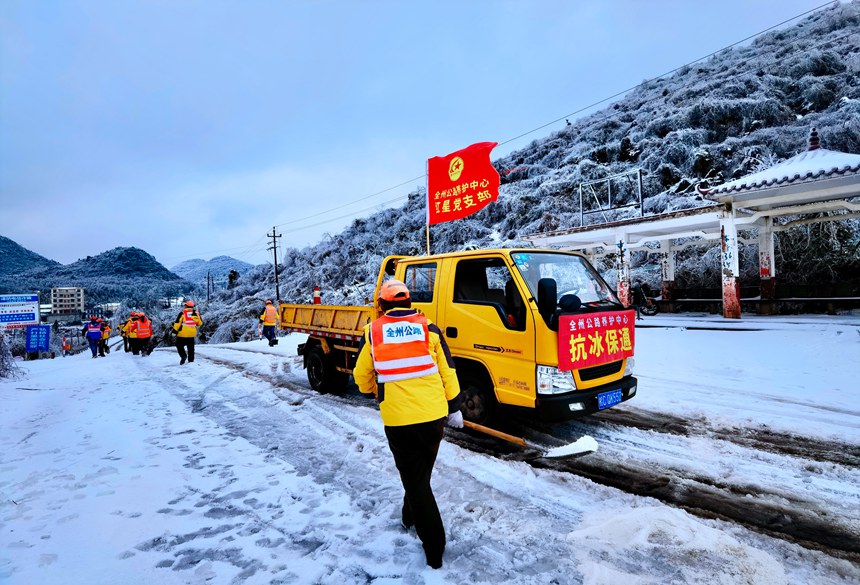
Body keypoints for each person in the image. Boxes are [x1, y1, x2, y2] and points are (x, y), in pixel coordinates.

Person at [352, 279, 462, 570]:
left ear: (384, 304)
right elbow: (447, 370)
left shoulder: (373, 332)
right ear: (409, 301)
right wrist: (455, 406)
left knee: (415, 479)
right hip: (433, 415)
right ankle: (408, 515)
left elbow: (361, 373)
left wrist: (371, 391)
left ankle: (434, 546)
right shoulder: (430, 329)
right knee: (418, 472)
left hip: (399, 419)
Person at [173, 300, 203, 365]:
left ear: (186, 306)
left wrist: (174, 331)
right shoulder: (196, 313)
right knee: (191, 348)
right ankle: (191, 361)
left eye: (185, 305)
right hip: (192, 333)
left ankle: (183, 355)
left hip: (182, 334)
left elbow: (177, 323)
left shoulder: (182, 313)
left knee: (179, 345)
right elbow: (200, 323)